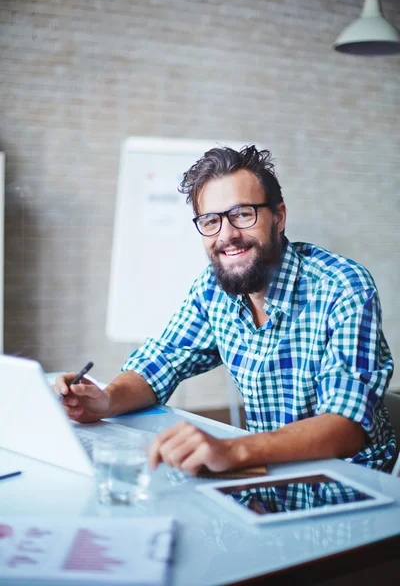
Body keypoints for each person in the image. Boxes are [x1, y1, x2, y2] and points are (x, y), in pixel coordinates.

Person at [56, 145, 396, 476]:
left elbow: (346, 425)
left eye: (243, 214)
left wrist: (232, 450)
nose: (227, 235)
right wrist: (106, 399)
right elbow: (159, 363)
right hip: (265, 485)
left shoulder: (343, 286)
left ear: (278, 217)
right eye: (211, 220)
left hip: (346, 495)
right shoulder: (213, 288)